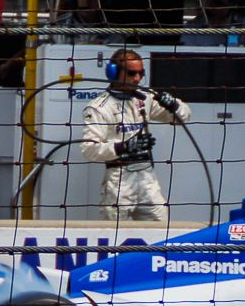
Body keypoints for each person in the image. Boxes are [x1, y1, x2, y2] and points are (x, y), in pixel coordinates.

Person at [81, 48, 190, 221]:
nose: (137, 78)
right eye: (132, 73)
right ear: (113, 73)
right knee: (114, 232)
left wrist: (174, 105)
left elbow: (183, 117)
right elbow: (89, 150)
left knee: (161, 226)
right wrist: (123, 147)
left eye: (141, 73)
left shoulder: (145, 98)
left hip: (147, 177)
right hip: (119, 179)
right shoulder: (99, 108)